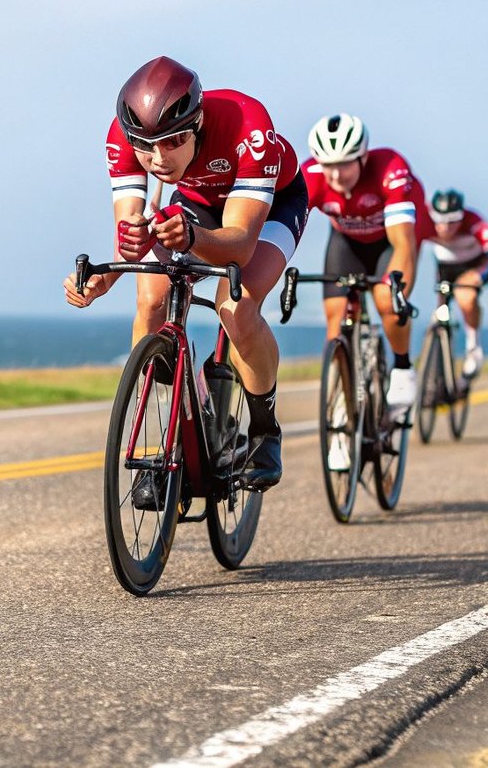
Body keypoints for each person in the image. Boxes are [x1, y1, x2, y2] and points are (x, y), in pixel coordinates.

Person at [63, 56, 309, 496]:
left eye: (173, 141)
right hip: (195, 202)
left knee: (235, 308)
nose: (158, 158)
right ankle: (181, 428)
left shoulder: (247, 126)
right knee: (151, 304)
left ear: (196, 125)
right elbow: (132, 231)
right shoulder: (121, 141)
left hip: (267, 208)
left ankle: (264, 431)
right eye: (145, 145)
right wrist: (107, 277)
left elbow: (239, 245)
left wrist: (193, 236)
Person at [300, 113, 430, 463]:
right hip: (347, 244)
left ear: (362, 157)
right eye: (328, 165)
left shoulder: (390, 168)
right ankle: (341, 416)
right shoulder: (312, 177)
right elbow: (284, 225)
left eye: (344, 165)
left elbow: (403, 243)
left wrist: (396, 289)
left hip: (389, 242)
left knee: (388, 301)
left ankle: (402, 367)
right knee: (335, 323)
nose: (335, 175)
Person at [427, 189, 488, 378]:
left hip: (472, 266)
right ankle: (434, 370)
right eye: (440, 220)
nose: (446, 227)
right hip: (445, 269)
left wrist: (479, 281)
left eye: (453, 221)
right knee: (439, 314)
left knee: (465, 297)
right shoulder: (424, 221)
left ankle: (473, 349)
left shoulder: (475, 223)